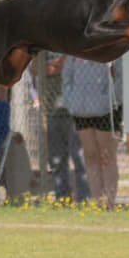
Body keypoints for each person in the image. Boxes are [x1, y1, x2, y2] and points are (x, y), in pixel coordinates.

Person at [30, 52, 91, 203]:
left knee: (79, 158)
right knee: (56, 159)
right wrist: (54, 66)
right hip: (51, 109)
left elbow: (66, 65)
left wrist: (50, 67)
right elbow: (35, 69)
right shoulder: (44, 47)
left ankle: (84, 199)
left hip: (75, 111)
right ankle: (62, 198)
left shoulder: (69, 43)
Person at [62, 55, 122, 209]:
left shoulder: (111, 49)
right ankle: (97, 201)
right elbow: (66, 78)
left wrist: (107, 100)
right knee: (90, 155)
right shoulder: (75, 51)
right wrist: (72, 102)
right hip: (81, 111)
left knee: (106, 155)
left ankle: (109, 203)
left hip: (106, 110)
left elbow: (120, 78)